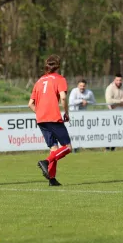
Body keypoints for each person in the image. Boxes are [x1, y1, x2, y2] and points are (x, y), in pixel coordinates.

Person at [30, 55, 72, 187]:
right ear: (58, 66)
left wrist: (40, 113)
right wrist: (66, 112)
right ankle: (46, 162)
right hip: (53, 117)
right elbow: (63, 98)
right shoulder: (60, 79)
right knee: (68, 147)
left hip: (41, 119)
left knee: (54, 148)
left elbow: (30, 103)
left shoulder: (39, 81)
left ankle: (52, 179)